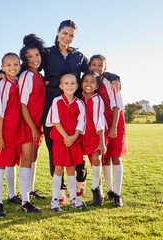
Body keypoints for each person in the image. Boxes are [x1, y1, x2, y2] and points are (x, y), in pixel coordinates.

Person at [41, 20, 121, 205]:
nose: (67, 38)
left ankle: (80, 183)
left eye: (71, 35)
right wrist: (0, 72)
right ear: (58, 31)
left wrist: (113, 76)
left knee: (78, 148)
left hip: (77, 110)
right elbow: (30, 64)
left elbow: (94, 71)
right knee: (56, 151)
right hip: (53, 106)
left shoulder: (78, 56)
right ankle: (60, 191)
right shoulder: (46, 53)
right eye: (65, 33)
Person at [0, 53, 39, 217]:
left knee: (12, 161)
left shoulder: (18, 81)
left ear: (20, 66)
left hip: (16, 128)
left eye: (15, 64)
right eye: (8, 65)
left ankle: (13, 196)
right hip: (3, 130)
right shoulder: (3, 84)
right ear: (3, 67)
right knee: (1, 163)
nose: (12, 67)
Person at [89, 54, 127, 207]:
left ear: (105, 68)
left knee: (116, 156)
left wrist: (113, 128)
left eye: (100, 65)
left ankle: (117, 194)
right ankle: (109, 191)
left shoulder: (111, 82)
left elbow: (117, 106)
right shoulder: (90, 83)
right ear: (89, 66)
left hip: (115, 124)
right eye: (94, 64)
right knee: (106, 158)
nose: (97, 67)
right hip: (101, 126)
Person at [45, 74, 86, 211]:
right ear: (61, 86)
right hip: (60, 140)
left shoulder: (79, 103)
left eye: (72, 83)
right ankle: (55, 200)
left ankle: (73, 198)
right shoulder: (57, 101)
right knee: (58, 169)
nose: (69, 86)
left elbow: (81, 122)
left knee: (71, 169)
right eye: (66, 83)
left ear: (77, 86)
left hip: (74, 140)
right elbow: (55, 121)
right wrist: (65, 137)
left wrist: (74, 137)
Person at [18, 34, 47, 200]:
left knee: (34, 157)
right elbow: (23, 105)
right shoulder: (27, 76)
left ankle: (30, 190)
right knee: (27, 159)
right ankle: (25, 198)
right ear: (25, 60)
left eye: (36, 54)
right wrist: (34, 128)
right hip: (28, 124)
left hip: (38, 125)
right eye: (29, 56)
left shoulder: (39, 77)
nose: (34, 58)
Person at [81, 71, 107, 207]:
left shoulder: (96, 99)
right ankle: (77, 192)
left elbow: (99, 121)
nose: (89, 84)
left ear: (97, 86)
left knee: (96, 161)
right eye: (86, 80)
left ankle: (97, 192)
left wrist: (102, 142)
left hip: (96, 135)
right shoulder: (79, 97)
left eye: (92, 81)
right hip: (82, 135)